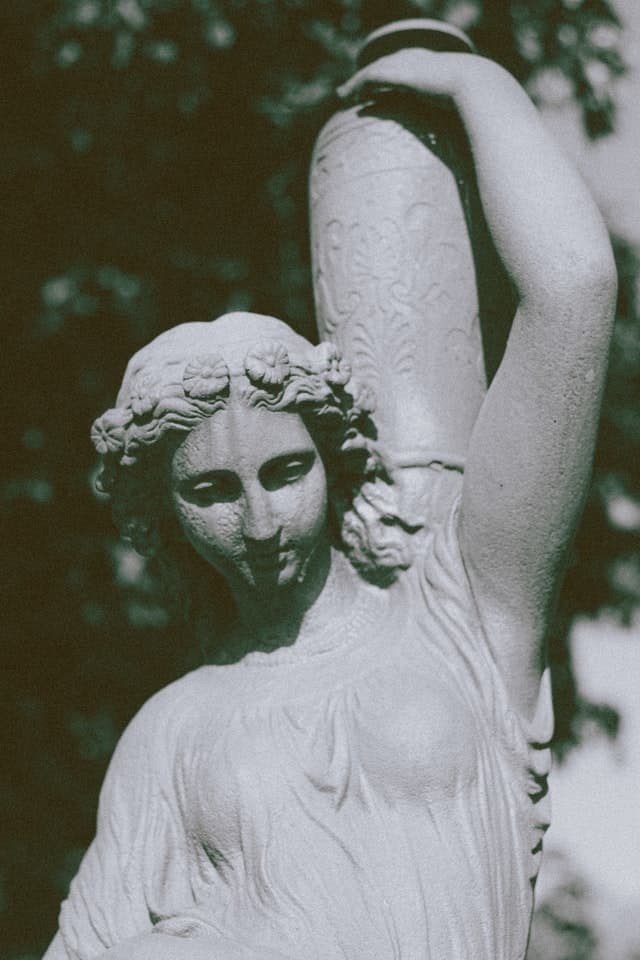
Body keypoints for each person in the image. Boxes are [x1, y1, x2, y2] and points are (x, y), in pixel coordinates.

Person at [44, 44, 616, 960]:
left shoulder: (465, 612)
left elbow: (574, 292)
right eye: (211, 491)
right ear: (167, 513)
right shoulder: (171, 730)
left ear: (336, 461)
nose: (260, 523)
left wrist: (474, 84)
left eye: (285, 472)